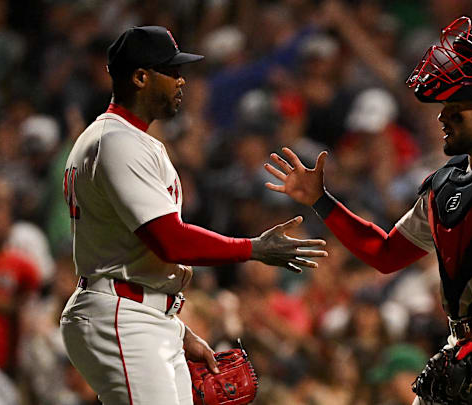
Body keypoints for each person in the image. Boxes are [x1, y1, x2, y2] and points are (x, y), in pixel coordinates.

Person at [265, 16, 472, 405]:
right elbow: (384, 253)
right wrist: (321, 200)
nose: (442, 117)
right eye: (443, 108)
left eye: (456, 109)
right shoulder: (445, 183)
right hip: (463, 347)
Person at [59, 26, 327, 405]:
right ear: (141, 77)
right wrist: (253, 248)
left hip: (139, 311)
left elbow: (130, 252)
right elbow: (169, 240)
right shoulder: (117, 142)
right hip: (123, 314)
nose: (181, 80)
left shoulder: (119, 140)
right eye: (171, 71)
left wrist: (177, 329)